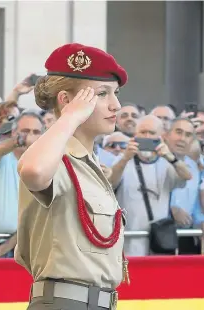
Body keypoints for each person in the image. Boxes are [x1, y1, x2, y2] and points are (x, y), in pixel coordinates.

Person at [15, 43, 129, 310]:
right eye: (102, 94)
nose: (116, 105)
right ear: (66, 101)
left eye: (115, 93)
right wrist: (70, 119)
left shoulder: (88, 164)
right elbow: (34, 172)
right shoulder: (56, 156)